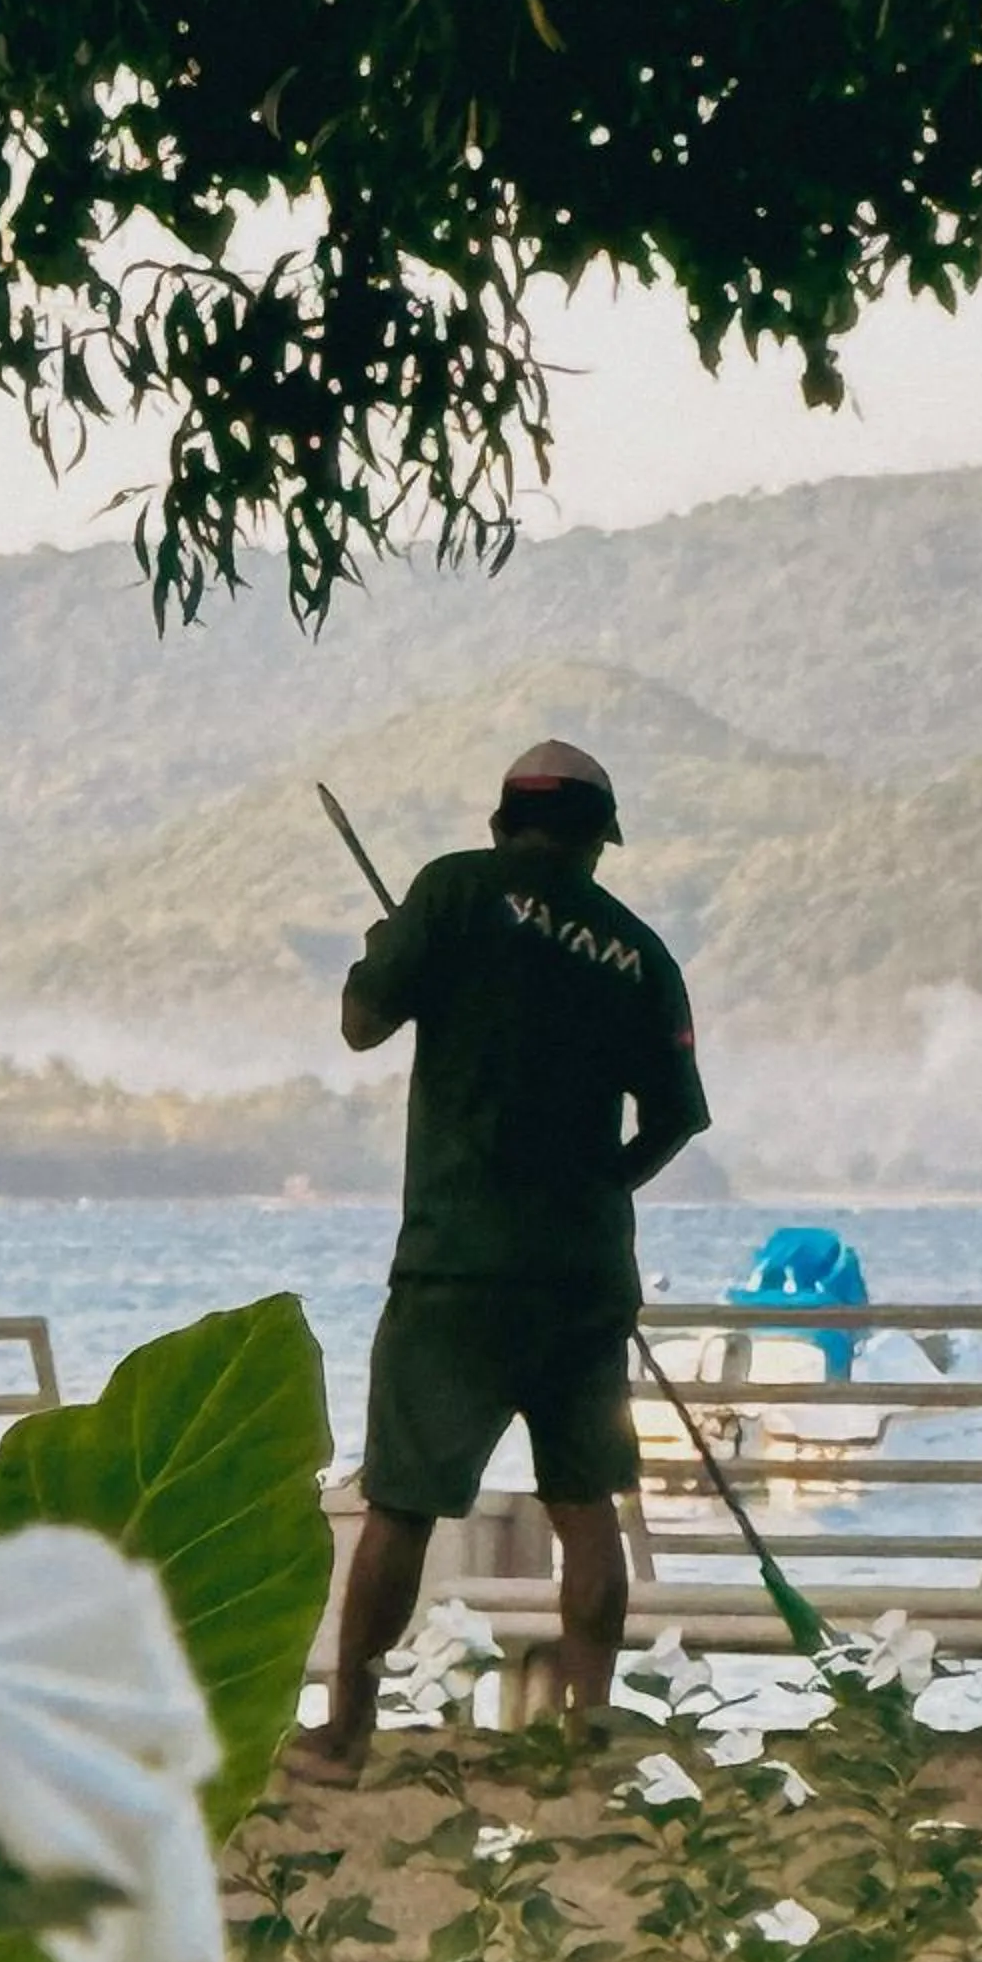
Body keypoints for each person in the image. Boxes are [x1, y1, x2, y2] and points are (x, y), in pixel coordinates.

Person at [290, 741, 710, 1784]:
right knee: (587, 1508)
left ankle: (344, 1735)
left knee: (402, 1504)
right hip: (582, 1273)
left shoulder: (453, 891)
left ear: (501, 820)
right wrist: (601, 1187)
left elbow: (361, 1022)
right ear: (596, 843)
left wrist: (384, 948)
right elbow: (676, 1121)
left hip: (455, 1269)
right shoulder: (640, 952)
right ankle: (585, 1738)